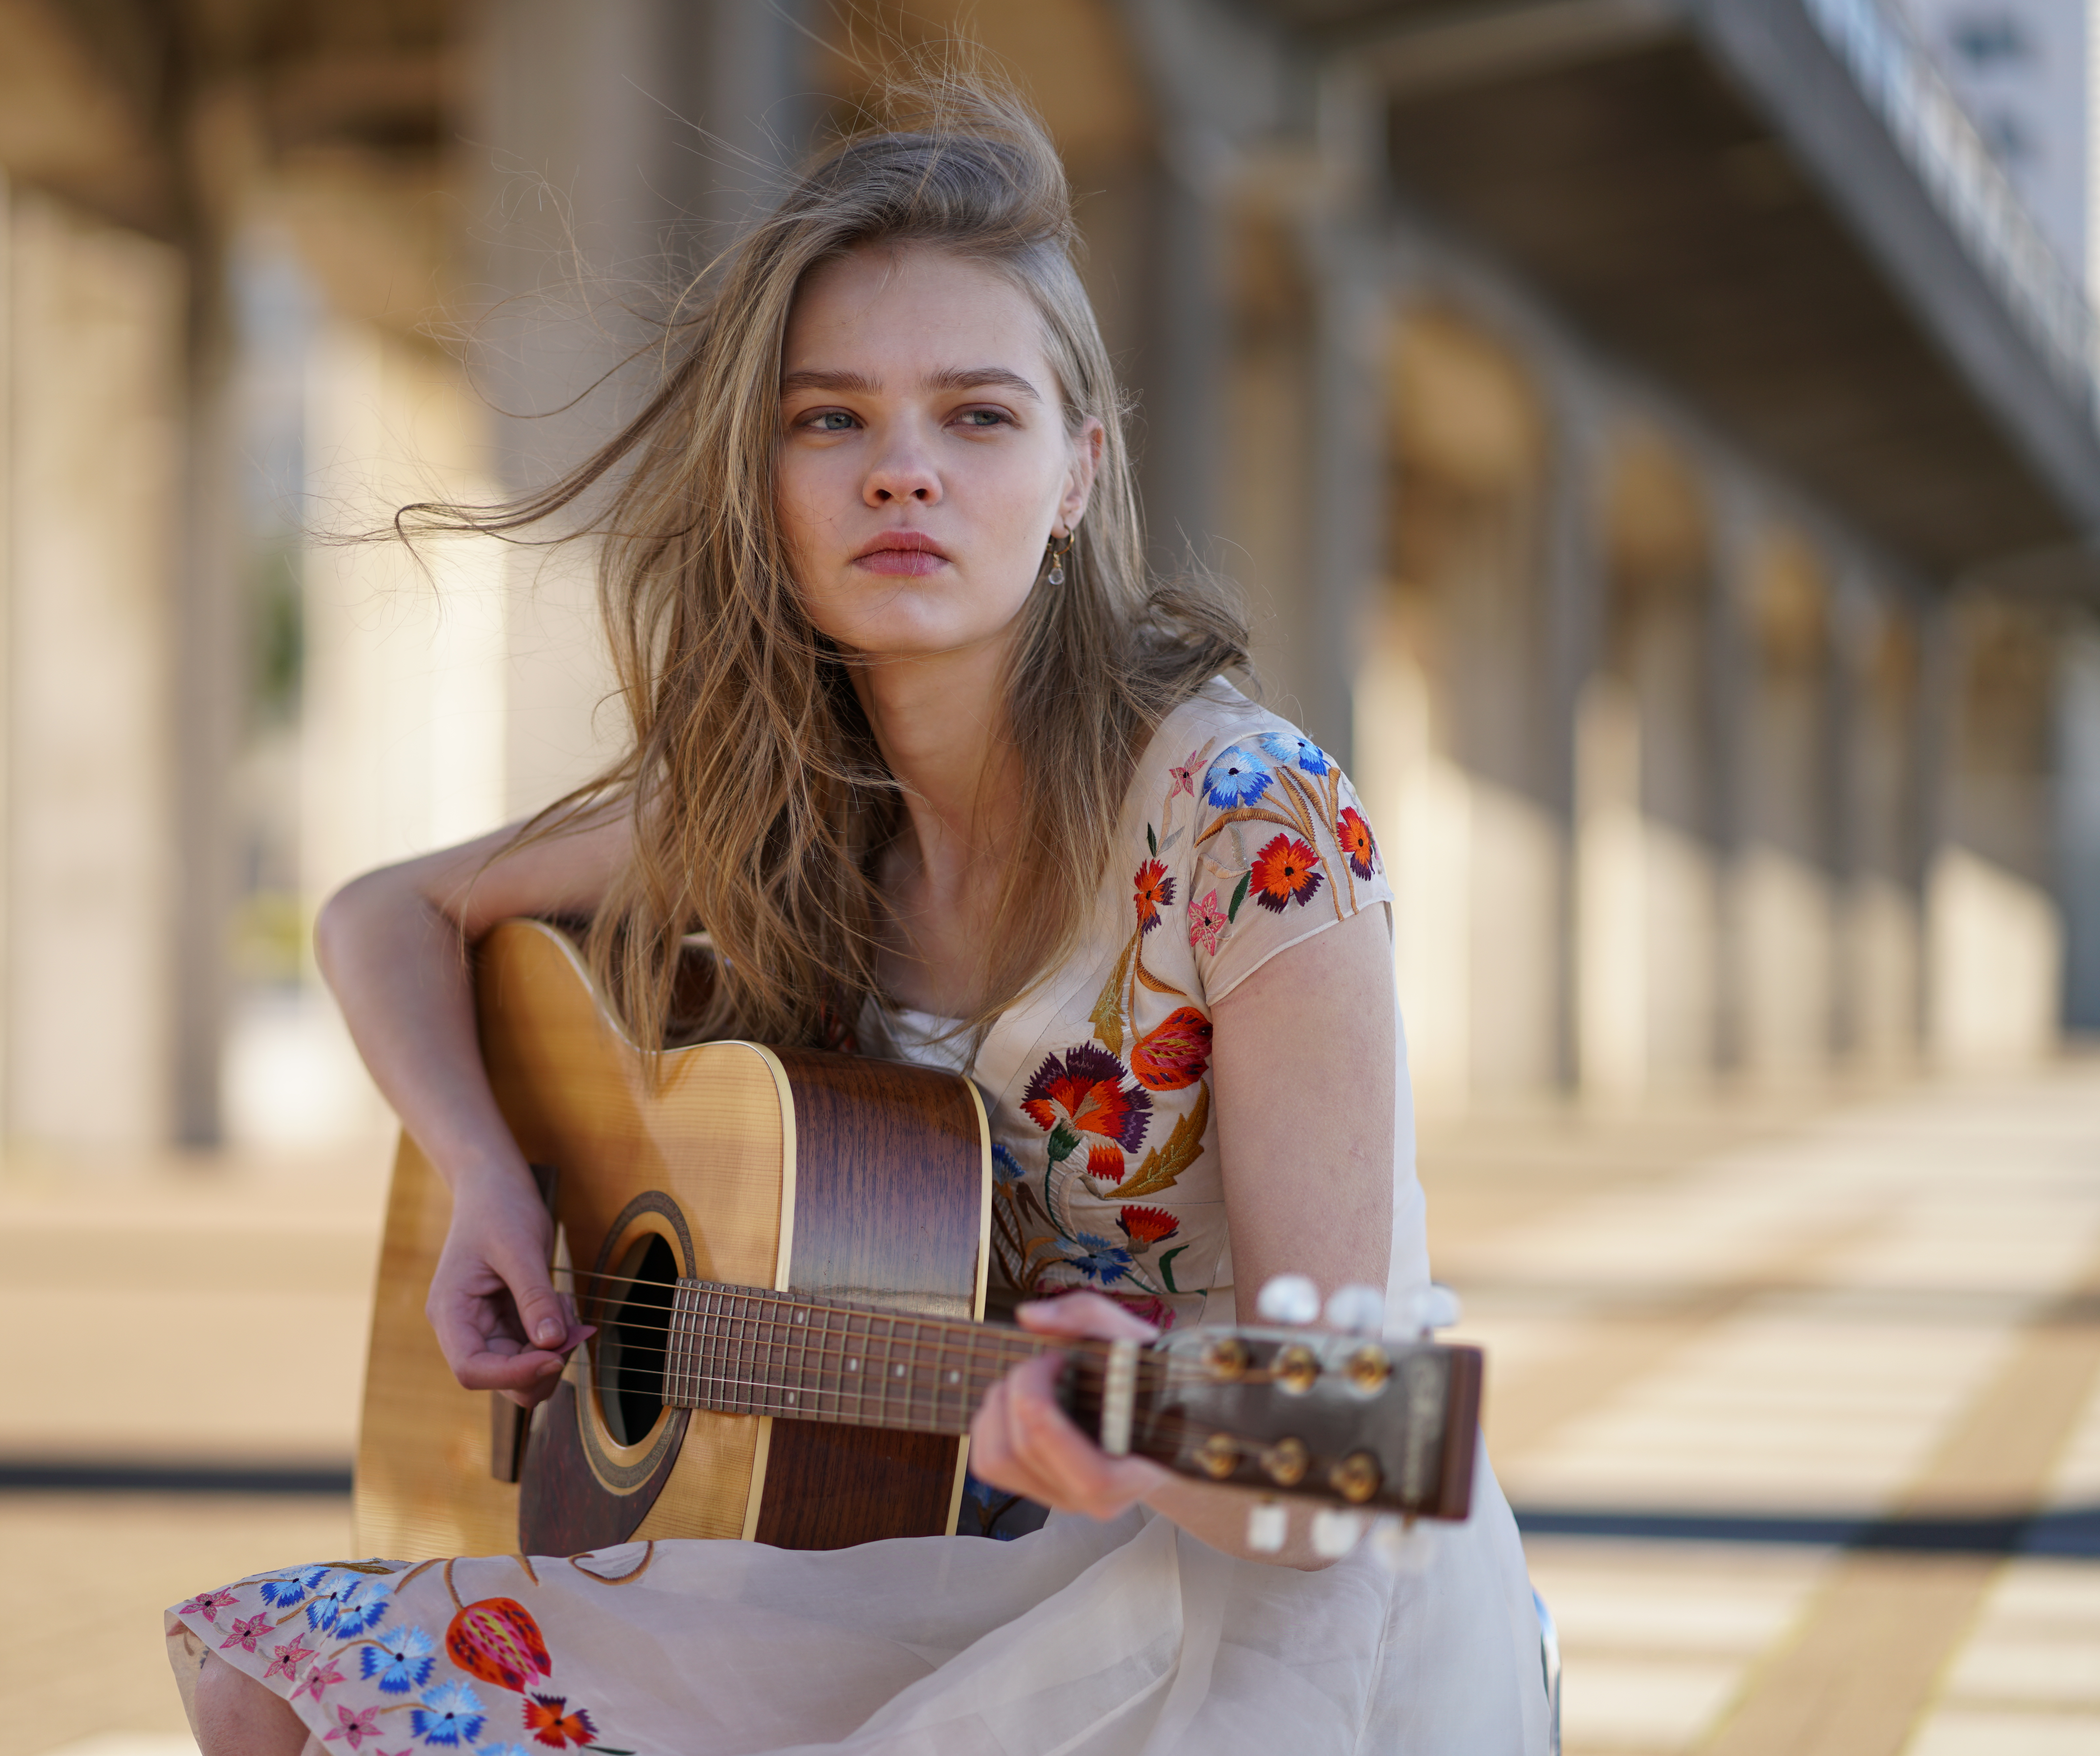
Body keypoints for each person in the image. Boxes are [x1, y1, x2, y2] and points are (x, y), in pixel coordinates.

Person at [168, 71, 1550, 1756]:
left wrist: (1135, 1440)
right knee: (283, 1695)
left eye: (976, 417)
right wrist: (487, 1181)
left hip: (1221, 1590)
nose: (902, 472)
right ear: (764, 483)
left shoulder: (1245, 828)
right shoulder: (783, 807)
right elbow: (384, 916)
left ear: (1073, 476)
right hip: (886, 1537)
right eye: (830, 419)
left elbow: (1332, 1479)